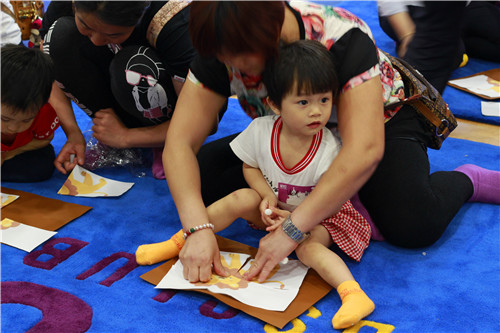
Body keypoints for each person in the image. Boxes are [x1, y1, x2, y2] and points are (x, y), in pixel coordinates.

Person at [162, 1, 500, 285]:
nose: (232, 67)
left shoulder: (343, 37)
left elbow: (364, 149)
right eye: (224, 58)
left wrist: (291, 230)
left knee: (413, 223)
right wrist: (198, 228)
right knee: (202, 179)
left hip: (378, 120)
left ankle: (469, 179)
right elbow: (179, 143)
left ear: (274, 30)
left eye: (241, 59)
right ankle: (340, 198)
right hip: (294, 131)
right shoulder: (223, 49)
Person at [137, 40, 375, 329]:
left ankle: (352, 293)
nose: (316, 112)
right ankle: (181, 240)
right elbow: (249, 166)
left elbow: (333, 196)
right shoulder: (262, 130)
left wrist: (294, 224)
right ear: (274, 104)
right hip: (274, 212)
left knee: (306, 249)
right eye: (303, 102)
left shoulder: (329, 148)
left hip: (321, 218)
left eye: (324, 100)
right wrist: (265, 196)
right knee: (240, 197)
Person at [40, 1, 199, 178]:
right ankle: (113, 126)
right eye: (85, 25)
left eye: (114, 34)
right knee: (59, 37)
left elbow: (203, 118)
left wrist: (127, 137)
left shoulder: (176, 22)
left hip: (172, 102)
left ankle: (163, 138)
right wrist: (73, 133)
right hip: (119, 87)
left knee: (133, 66)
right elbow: (46, 68)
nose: (96, 41)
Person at [1, 44, 59, 182]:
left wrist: (9, 154)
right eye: (4, 119)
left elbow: (45, 139)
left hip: (20, 150)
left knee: (42, 167)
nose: (14, 128)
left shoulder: (45, 111)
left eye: (26, 120)